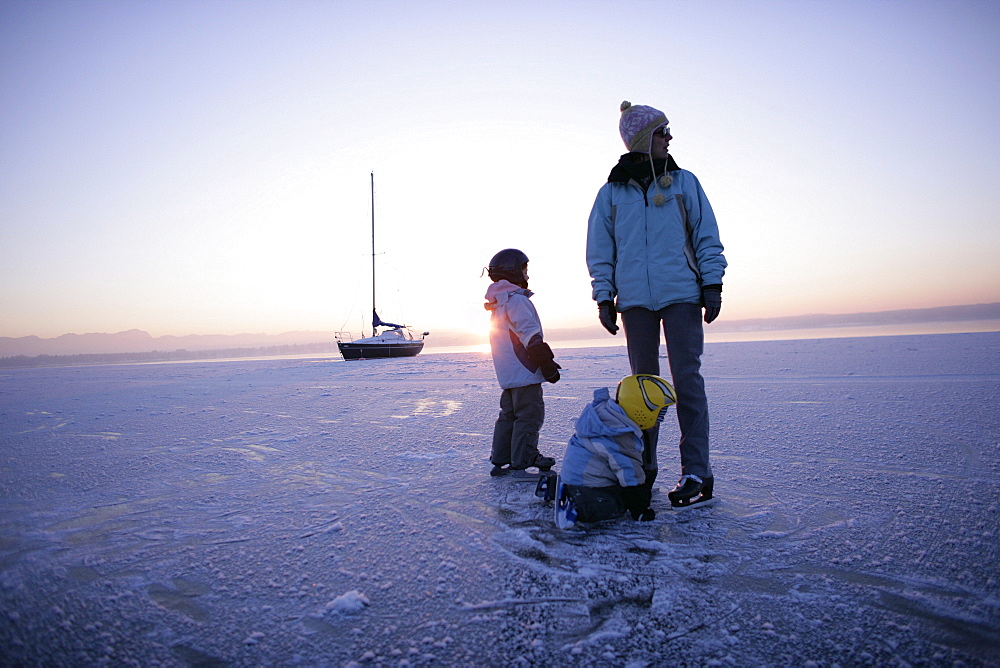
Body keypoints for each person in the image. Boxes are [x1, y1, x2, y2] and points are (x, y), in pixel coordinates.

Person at [586, 101, 727, 508]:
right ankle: (642, 471)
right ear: (645, 140)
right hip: (634, 303)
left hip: (682, 294)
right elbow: (601, 248)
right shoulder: (611, 193)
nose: (670, 138)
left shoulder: (684, 183)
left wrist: (712, 283)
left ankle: (696, 472)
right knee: (641, 391)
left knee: (687, 382)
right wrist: (604, 297)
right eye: (663, 132)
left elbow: (706, 235)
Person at [556, 375, 678, 524]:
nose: (660, 420)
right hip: (589, 488)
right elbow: (630, 474)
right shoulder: (619, 435)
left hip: (575, 479)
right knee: (617, 505)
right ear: (642, 409)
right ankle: (578, 509)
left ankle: (554, 489)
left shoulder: (606, 418)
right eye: (659, 414)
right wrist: (639, 508)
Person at [484, 248, 561, 481]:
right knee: (529, 415)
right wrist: (545, 363)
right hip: (524, 370)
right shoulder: (516, 300)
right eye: (524, 269)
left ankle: (501, 460)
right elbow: (529, 334)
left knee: (509, 415)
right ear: (514, 271)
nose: (527, 274)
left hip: (508, 373)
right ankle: (522, 462)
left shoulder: (498, 302)